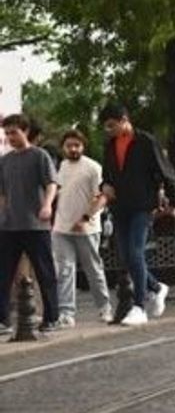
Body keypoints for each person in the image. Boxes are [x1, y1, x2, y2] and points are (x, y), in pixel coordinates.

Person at [99, 103, 175, 326]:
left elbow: (166, 171)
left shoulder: (145, 141)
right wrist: (104, 186)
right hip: (120, 206)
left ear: (124, 120)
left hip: (143, 205)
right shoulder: (110, 145)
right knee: (126, 256)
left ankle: (139, 306)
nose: (109, 130)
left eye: (112, 125)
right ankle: (156, 287)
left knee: (136, 252)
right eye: (106, 127)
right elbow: (106, 176)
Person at [0, 113, 62, 334]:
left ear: (25, 131)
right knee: (3, 274)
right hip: (9, 226)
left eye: (14, 133)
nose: (10, 137)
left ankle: (52, 317)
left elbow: (52, 183)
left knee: (45, 273)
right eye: (7, 133)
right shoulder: (4, 161)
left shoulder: (39, 156)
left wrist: (47, 205)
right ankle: (3, 320)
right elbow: (2, 193)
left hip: (36, 224)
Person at [52, 130, 112, 326]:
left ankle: (104, 307)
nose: (73, 149)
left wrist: (86, 217)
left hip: (87, 228)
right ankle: (66, 313)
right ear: (63, 147)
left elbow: (102, 197)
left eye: (76, 145)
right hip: (62, 227)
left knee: (93, 269)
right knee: (64, 270)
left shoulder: (93, 167)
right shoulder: (61, 167)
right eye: (69, 145)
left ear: (83, 146)